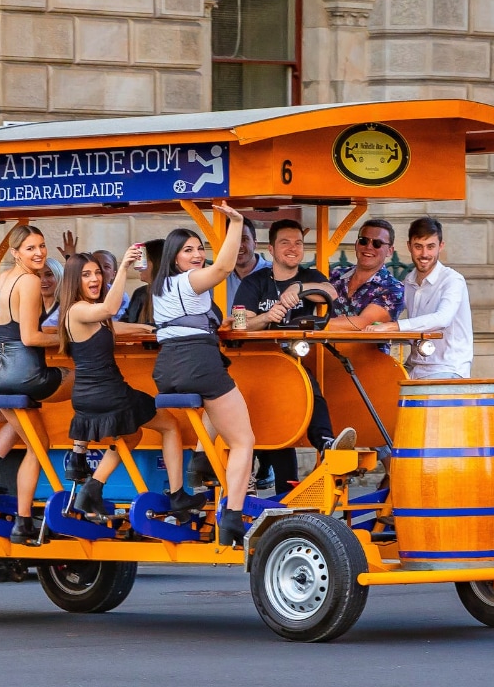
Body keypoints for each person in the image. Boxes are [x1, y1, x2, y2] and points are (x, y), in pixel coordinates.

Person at [59, 249, 203, 519]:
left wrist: (148, 329)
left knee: (132, 435)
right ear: (72, 281)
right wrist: (124, 267)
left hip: (95, 393)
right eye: (86, 275)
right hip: (109, 393)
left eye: (97, 274)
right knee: (170, 425)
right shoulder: (79, 309)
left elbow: (112, 325)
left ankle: (92, 490)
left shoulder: (85, 312)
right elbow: (110, 310)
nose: (95, 280)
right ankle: (177, 495)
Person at [150, 206, 255, 547]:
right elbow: (224, 267)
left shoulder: (160, 286)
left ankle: (200, 459)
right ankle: (233, 517)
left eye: (199, 248)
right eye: (188, 250)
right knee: (243, 441)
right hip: (197, 362)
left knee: (218, 402)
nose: (197, 255)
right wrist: (236, 223)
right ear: (175, 258)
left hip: (167, 368)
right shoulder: (190, 281)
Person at [235, 219, 356, 493]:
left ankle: (326, 443)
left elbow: (330, 293)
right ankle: (275, 485)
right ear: (271, 249)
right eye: (285, 242)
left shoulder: (310, 276)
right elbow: (240, 322)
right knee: (281, 416)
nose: (293, 248)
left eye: (298, 243)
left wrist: (298, 289)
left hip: (294, 363)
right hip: (258, 364)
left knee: (306, 389)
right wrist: (267, 317)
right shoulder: (255, 282)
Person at [0, 225, 75, 546]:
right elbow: (31, 337)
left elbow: (0, 330)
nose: (39, 253)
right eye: (30, 248)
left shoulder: (2, 280)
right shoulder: (31, 281)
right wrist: (66, 335)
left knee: (36, 444)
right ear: (15, 253)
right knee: (84, 380)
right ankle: (82, 451)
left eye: (41, 246)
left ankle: (21, 520)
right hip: (25, 373)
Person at [367, 217, 473, 379]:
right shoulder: (409, 281)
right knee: (375, 389)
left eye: (430, 247)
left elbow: (442, 319)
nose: (424, 254)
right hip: (415, 368)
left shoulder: (453, 280)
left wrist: (392, 327)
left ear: (441, 246)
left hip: (448, 368)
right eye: (418, 247)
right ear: (409, 246)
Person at [325, 218, 404, 331]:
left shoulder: (394, 289)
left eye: (377, 243)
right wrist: (296, 287)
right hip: (322, 348)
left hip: (368, 349)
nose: (369, 247)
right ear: (356, 244)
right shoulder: (334, 276)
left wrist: (314, 324)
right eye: (364, 241)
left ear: (390, 251)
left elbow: (364, 323)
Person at [225, 217, 270, 308]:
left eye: (244, 239)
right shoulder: (217, 278)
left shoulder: (274, 272)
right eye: (233, 240)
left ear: (255, 243)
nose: (239, 246)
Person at [123, 239, 166, 325]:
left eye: (142, 259)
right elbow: (125, 323)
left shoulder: (176, 292)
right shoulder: (140, 293)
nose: (138, 265)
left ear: (157, 262)